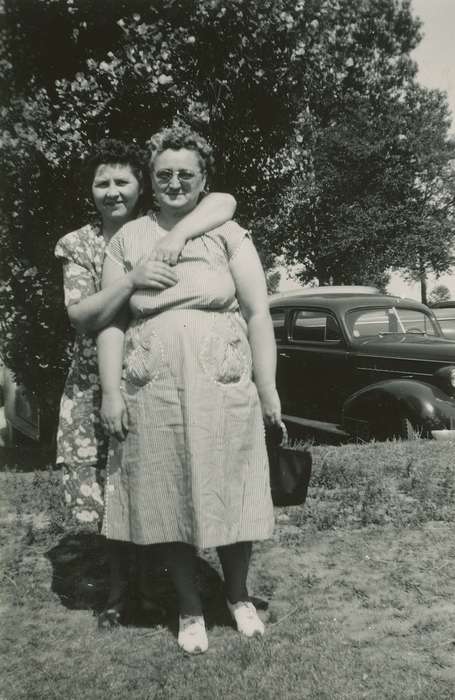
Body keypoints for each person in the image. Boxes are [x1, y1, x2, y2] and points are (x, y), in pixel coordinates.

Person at [98, 126, 281, 653]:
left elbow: (258, 311)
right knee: (169, 494)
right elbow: (110, 322)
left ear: (203, 180)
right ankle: (189, 607)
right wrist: (112, 391)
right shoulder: (127, 240)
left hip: (222, 384)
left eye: (186, 174)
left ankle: (238, 595)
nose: (175, 182)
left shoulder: (227, 232)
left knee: (236, 486)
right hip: (152, 390)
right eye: (164, 175)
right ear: (151, 183)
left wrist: (266, 385)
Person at [54, 138, 237, 628]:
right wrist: (132, 280)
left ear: (142, 186)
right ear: (90, 190)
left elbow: (224, 201)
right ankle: (119, 590)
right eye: (102, 183)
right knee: (109, 488)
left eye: (122, 181)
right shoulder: (82, 243)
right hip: (97, 380)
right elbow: (81, 316)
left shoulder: (166, 228)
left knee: (155, 481)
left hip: (153, 376)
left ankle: (156, 583)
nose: (113, 191)